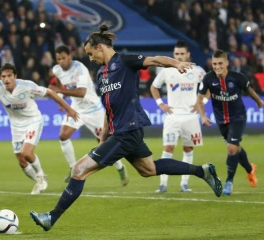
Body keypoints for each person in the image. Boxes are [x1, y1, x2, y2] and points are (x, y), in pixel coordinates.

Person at [29, 24, 223, 231]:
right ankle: (203, 172)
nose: (89, 57)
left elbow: (155, 59)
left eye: (90, 53)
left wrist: (176, 63)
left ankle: (51, 217)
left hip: (127, 131)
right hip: (121, 131)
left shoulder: (125, 61)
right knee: (149, 169)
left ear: (100, 47)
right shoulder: (102, 75)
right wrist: (103, 137)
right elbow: (108, 108)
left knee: (78, 170)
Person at [0, 63, 78, 195]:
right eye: (3, 76)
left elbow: (49, 92)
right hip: (16, 126)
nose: (6, 79)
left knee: (26, 153)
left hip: (33, 120)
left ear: (15, 76)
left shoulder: (26, 86)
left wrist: (69, 109)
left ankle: (41, 176)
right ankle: (39, 182)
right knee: (21, 160)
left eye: (9, 76)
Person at [48, 45, 129, 186]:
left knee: (103, 143)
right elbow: (60, 81)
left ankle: (120, 168)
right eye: (58, 59)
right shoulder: (57, 69)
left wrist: (58, 90)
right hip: (76, 109)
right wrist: (61, 98)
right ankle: (74, 168)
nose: (60, 61)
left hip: (93, 110)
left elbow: (82, 92)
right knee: (63, 135)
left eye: (63, 58)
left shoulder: (80, 69)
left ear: (70, 57)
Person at [196, 50, 264, 195]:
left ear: (227, 63)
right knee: (236, 148)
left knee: (231, 148)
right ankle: (250, 170)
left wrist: (258, 101)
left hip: (238, 116)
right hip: (221, 120)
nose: (217, 66)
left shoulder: (237, 77)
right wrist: (203, 116)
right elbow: (199, 99)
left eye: (220, 63)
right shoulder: (208, 79)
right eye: (214, 64)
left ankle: (229, 182)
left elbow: (249, 90)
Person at [150, 40, 209, 193]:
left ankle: (184, 184)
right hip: (173, 116)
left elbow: (209, 87)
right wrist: (160, 104)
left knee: (188, 149)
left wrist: (202, 103)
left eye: (182, 54)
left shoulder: (197, 71)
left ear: (188, 54)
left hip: (190, 117)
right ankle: (162, 184)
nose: (179, 56)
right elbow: (154, 87)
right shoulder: (166, 71)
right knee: (168, 148)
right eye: (177, 54)